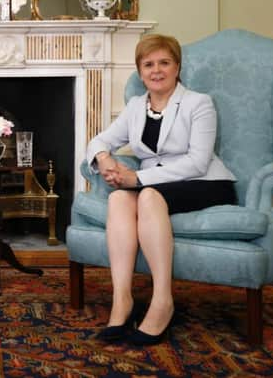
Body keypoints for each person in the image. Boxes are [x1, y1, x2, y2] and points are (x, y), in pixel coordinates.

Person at [86, 34, 236, 345]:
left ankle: (162, 301)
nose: (156, 70)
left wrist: (137, 180)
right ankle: (122, 299)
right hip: (160, 183)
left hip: (206, 183)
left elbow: (197, 162)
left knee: (149, 196)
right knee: (118, 199)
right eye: (148, 64)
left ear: (177, 67)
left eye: (164, 63)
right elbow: (100, 140)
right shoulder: (136, 106)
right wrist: (105, 160)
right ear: (140, 72)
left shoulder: (199, 103)